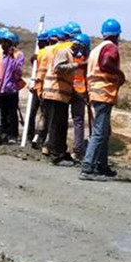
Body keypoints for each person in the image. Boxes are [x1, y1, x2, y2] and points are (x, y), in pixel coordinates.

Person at [79, 27, 125, 181]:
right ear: (117, 34)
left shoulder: (96, 49)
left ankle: (102, 165)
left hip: (95, 91)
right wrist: (119, 74)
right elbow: (106, 63)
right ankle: (88, 166)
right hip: (104, 92)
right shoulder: (110, 47)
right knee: (99, 131)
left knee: (104, 130)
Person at [42, 30, 81, 166]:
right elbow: (58, 68)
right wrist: (76, 66)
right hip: (55, 94)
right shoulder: (64, 52)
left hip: (61, 95)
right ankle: (56, 155)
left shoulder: (69, 54)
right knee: (56, 125)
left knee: (61, 125)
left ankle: (61, 152)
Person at [0, 31, 25, 143]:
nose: (3, 44)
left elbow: (18, 70)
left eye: (6, 42)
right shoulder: (2, 55)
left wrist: (12, 57)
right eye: (2, 42)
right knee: (3, 112)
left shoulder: (19, 55)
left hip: (11, 88)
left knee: (12, 113)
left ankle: (12, 135)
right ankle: (3, 133)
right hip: (1, 87)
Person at [64, 22, 88, 160]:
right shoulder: (85, 56)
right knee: (78, 121)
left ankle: (58, 145)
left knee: (62, 118)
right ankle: (77, 150)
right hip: (80, 90)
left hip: (68, 88)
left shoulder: (69, 52)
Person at [25, 31, 50, 146]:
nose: (40, 44)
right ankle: (30, 135)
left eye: (41, 41)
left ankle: (40, 137)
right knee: (33, 112)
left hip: (46, 88)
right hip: (37, 87)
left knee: (44, 114)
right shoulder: (40, 53)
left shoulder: (48, 52)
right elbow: (35, 66)